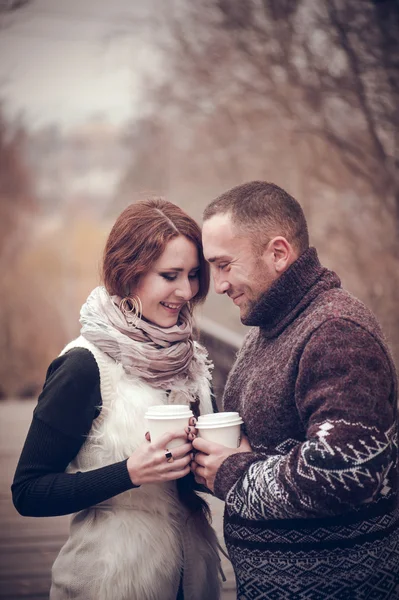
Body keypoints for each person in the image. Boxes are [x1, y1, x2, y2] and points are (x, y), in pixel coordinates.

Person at [191, 181, 399, 599]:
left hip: (336, 588)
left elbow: (344, 471)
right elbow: (270, 445)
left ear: (279, 253)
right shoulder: (271, 325)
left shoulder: (335, 331)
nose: (217, 285)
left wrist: (232, 472)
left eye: (224, 264)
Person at [12, 198, 222, 600]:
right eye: (170, 275)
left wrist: (214, 463)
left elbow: (194, 482)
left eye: (194, 274)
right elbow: (28, 491)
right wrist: (128, 472)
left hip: (192, 581)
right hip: (109, 582)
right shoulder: (83, 366)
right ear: (129, 274)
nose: (186, 290)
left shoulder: (192, 360)